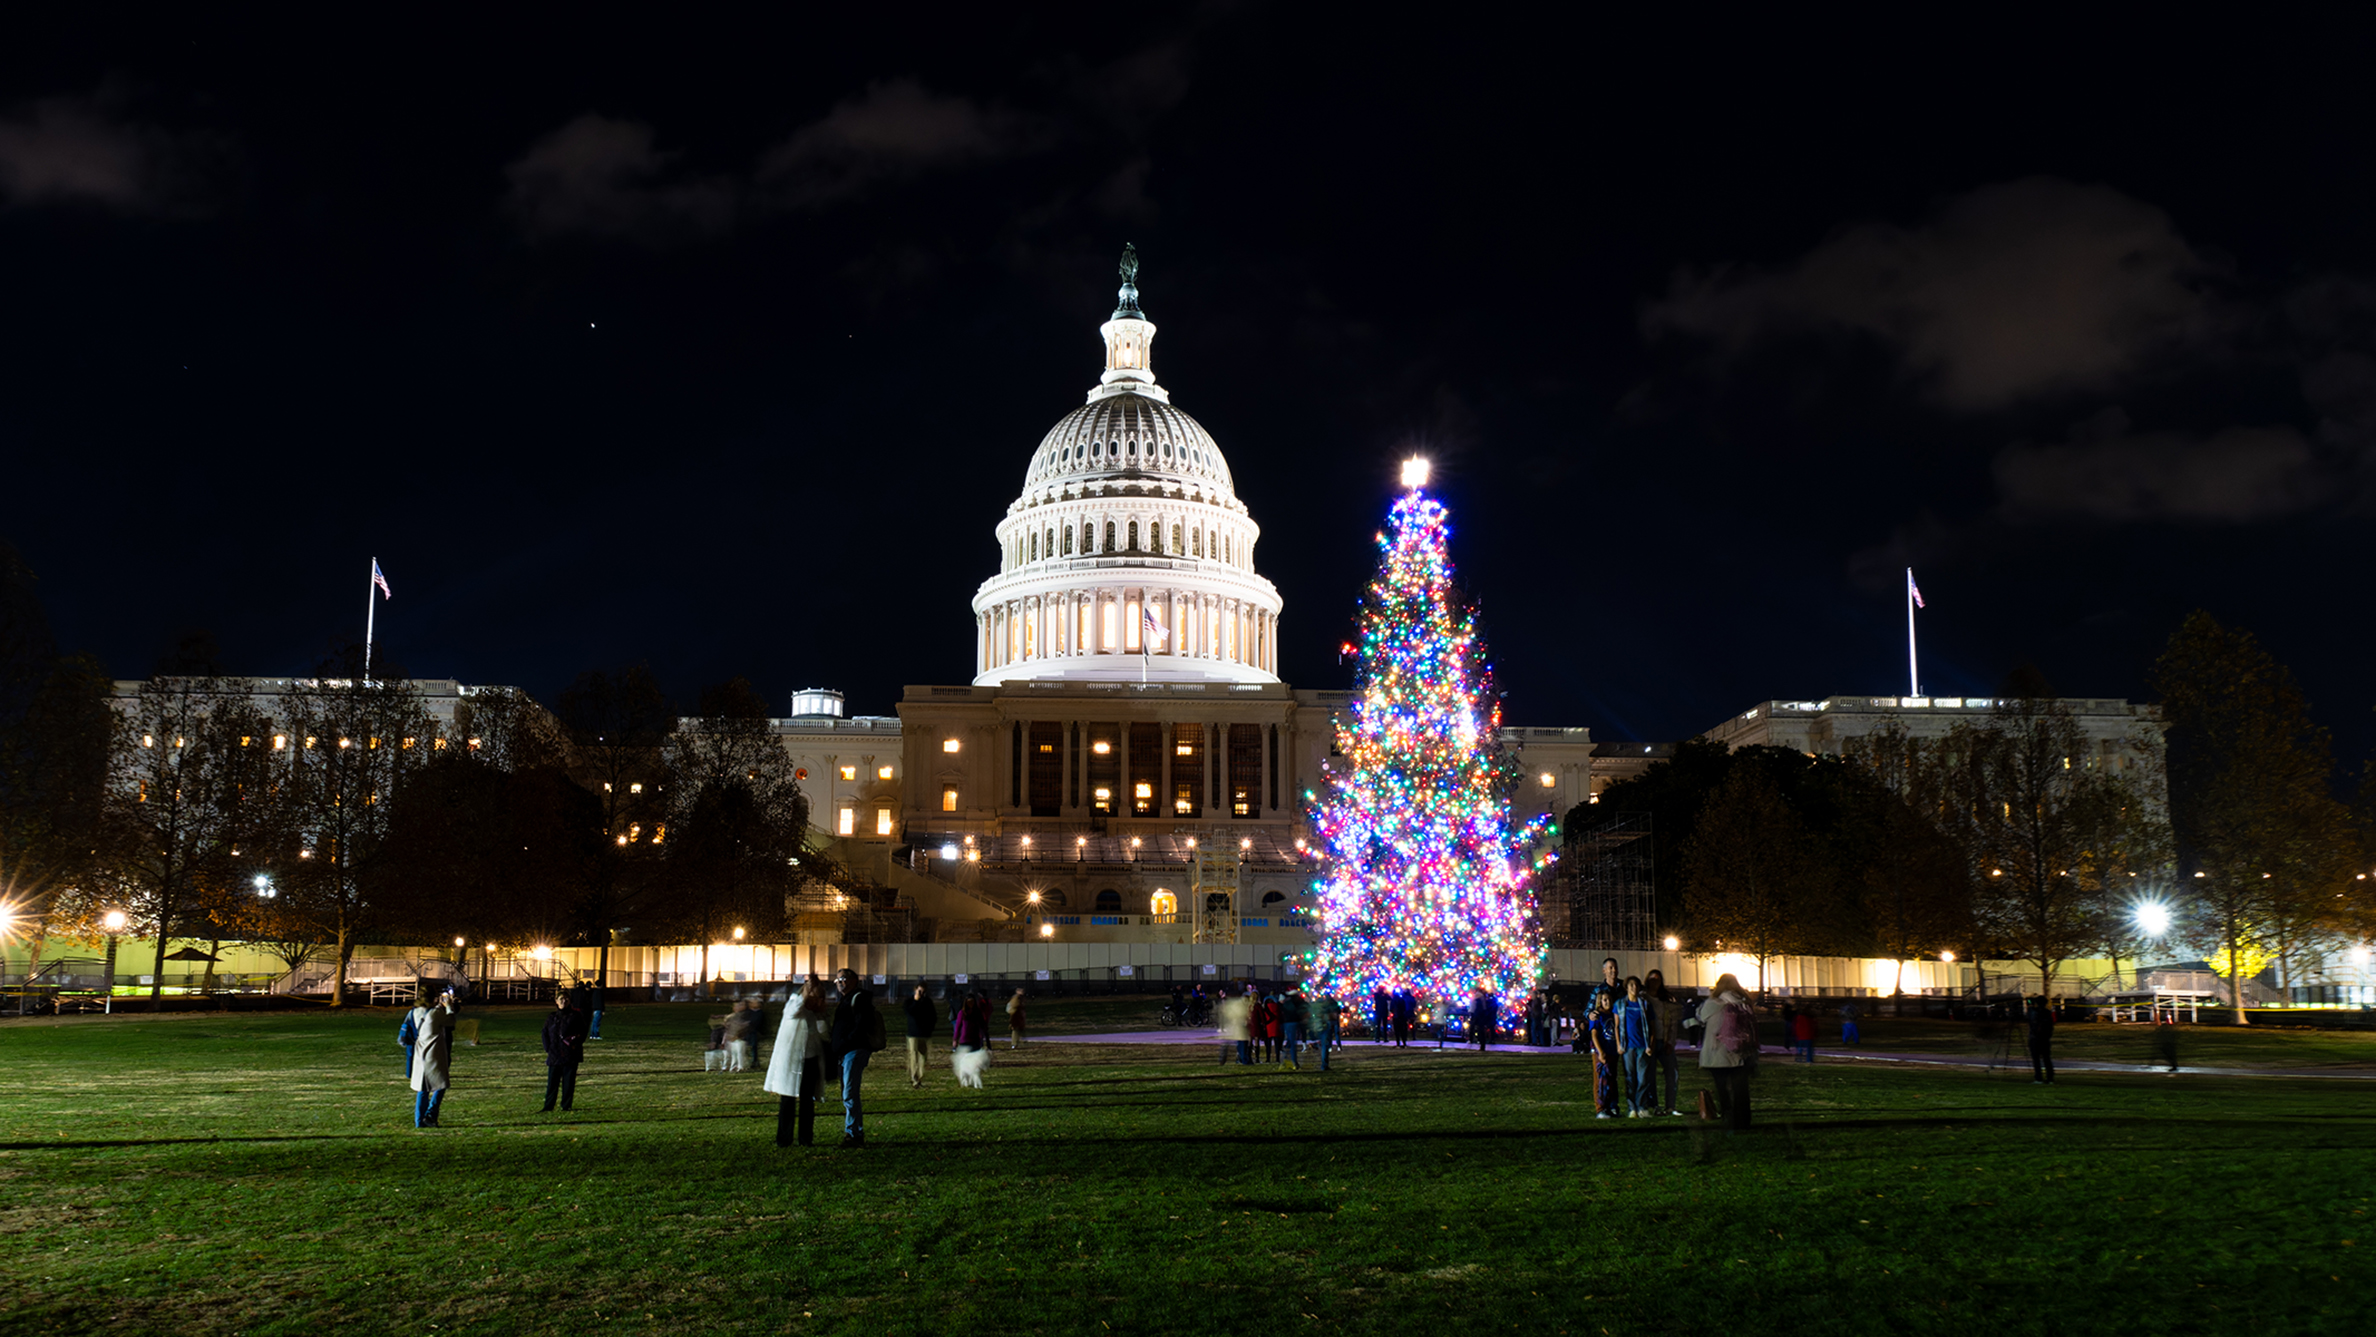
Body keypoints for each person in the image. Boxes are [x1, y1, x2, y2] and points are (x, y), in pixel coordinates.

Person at [765, 979, 831, 1146]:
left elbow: (822, 1034)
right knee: (788, 1101)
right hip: (792, 1062)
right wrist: (807, 991)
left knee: (807, 1102)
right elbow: (794, 1009)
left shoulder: (814, 1014)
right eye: (816, 997)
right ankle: (784, 1138)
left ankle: (805, 1138)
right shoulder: (794, 1005)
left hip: (811, 1060)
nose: (820, 1001)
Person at [1695, 973, 1756, 1132]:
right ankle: (1743, 1122)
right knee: (1741, 1091)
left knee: (1724, 1091)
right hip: (1741, 1053)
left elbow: (1700, 1016)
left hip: (1718, 1054)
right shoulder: (1744, 1003)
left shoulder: (1714, 1002)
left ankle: (1729, 1122)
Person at [827, 969, 880, 1147]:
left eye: (843, 979)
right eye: (837, 979)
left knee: (849, 1092)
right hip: (845, 1051)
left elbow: (861, 1025)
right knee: (847, 1092)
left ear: (854, 980)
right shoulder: (847, 999)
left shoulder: (859, 999)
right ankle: (853, 1131)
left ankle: (854, 1134)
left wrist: (845, 1042)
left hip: (853, 1050)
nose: (839, 982)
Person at [409, 988, 457, 1128]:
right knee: (441, 1084)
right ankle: (431, 1115)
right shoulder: (435, 1013)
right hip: (433, 1052)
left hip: (420, 1052)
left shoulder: (415, 1012)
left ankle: (419, 1120)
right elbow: (451, 1021)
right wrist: (448, 1005)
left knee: (422, 1088)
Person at [1643, 969, 1687, 1117]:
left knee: (1672, 1073)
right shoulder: (1643, 999)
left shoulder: (1666, 1000)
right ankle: (1653, 1105)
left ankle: (1670, 1106)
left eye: (1657, 979)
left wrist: (1670, 1042)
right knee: (1650, 1076)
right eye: (1652, 979)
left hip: (1664, 1040)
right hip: (1650, 1042)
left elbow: (1673, 1023)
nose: (1654, 982)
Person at [540, 993, 586, 1112]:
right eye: (561, 999)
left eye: (566, 999)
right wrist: (548, 1048)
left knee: (568, 1082)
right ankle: (548, 1106)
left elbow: (582, 1032)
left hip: (570, 1053)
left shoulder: (575, 1016)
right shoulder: (552, 1017)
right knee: (552, 1083)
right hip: (555, 1053)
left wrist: (575, 1044)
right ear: (556, 1001)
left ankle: (566, 1105)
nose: (563, 1001)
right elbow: (545, 1032)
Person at [1615, 976, 1651, 1117]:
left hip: (1642, 1045)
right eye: (1631, 985)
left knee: (1643, 1078)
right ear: (1626, 987)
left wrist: (1650, 1044)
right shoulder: (1619, 1005)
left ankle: (1642, 1106)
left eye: (1636, 985)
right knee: (1630, 1078)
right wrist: (1619, 1044)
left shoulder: (1645, 1005)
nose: (1634, 988)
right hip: (1628, 1046)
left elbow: (1651, 1025)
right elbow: (1617, 1026)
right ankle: (1632, 1108)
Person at [1585, 992, 1619, 1119]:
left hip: (1613, 1051)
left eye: (1609, 999)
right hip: (1602, 1052)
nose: (1607, 1002)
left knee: (1611, 1079)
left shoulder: (1613, 1015)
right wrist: (1600, 1052)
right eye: (1604, 1000)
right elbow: (1594, 1035)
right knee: (1601, 1080)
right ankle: (1601, 1108)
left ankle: (1611, 1106)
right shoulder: (1597, 1016)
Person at [950, 988, 992, 1089]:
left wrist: (988, 1042)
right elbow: (958, 1027)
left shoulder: (977, 1014)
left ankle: (974, 1081)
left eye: (972, 1002)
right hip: (965, 1041)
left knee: (974, 1065)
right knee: (964, 1064)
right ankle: (965, 1080)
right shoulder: (962, 1013)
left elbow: (984, 1027)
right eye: (969, 1002)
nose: (971, 1004)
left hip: (975, 1042)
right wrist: (955, 1040)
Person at [903, 984, 937, 1090]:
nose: (921, 993)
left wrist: (930, 1028)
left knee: (923, 1057)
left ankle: (920, 1077)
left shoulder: (928, 1002)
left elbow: (933, 1016)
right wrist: (916, 1001)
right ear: (915, 990)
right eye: (919, 991)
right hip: (913, 1033)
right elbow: (909, 1012)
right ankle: (914, 1079)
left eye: (923, 991)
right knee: (913, 1056)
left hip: (924, 1033)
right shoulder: (909, 1002)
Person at [1218, 986, 1254, 1065]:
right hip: (1241, 1028)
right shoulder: (1241, 1006)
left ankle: (1241, 1059)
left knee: (1242, 1045)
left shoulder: (1238, 1005)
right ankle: (1243, 1059)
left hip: (1240, 1028)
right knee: (1242, 1045)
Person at [2027, 996, 2057, 1085]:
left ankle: (2039, 1078)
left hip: (2035, 1038)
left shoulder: (2034, 1012)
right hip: (2045, 1039)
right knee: (2046, 1059)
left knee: (2036, 1059)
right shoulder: (2047, 1013)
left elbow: (2031, 1021)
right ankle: (2050, 1078)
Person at [399, 997, 429, 1079]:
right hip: (422, 1037)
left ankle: (409, 1073)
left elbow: (406, 1023)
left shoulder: (411, 1012)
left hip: (411, 1037)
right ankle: (423, 1073)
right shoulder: (427, 1012)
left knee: (410, 1056)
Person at [1314, 992, 1342, 1071]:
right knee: (1336, 1034)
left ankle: (1329, 1047)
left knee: (1327, 1038)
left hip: (1328, 1022)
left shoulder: (1324, 1004)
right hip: (1334, 1020)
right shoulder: (1334, 1003)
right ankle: (1338, 1046)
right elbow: (1339, 1010)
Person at [1280, 988, 1307, 1068]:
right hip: (1295, 1022)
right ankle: (1293, 1062)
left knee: (1289, 1042)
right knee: (1292, 1044)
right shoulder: (1298, 1003)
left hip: (1287, 1023)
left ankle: (1284, 1060)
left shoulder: (1287, 1003)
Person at [1256, 993, 1282, 1063]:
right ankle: (1277, 1059)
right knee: (1277, 1045)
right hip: (1276, 1028)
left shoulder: (1265, 1009)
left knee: (1268, 1045)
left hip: (1268, 1028)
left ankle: (1268, 1058)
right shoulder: (1277, 1007)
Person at [1471, 986, 1498, 1052]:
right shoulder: (1486, 1000)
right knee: (1484, 1030)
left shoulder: (1479, 999)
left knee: (1479, 1030)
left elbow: (1481, 1008)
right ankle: (1484, 1043)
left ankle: (1480, 1043)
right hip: (1484, 1016)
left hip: (1480, 1016)